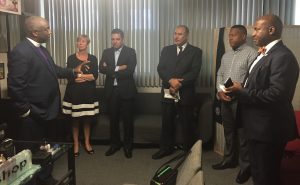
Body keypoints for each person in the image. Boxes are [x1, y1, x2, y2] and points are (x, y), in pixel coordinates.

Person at [7, 16, 82, 185]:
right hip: (32, 114)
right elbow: (15, 86)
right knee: (30, 152)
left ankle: (45, 178)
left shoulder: (42, 49)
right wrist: (25, 111)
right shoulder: (21, 51)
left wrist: (72, 72)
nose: (50, 32)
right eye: (47, 29)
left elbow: (53, 69)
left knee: (45, 149)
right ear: (35, 32)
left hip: (48, 110)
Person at [226, 14, 299, 185]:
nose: (253, 33)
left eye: (257, 29)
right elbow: (257, 85)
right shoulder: (267, 53)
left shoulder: (283, 56)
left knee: (266, 176)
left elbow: (277, 94)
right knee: (259, 173)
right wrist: (238, 88)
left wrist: (241, 91)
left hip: (269, 130)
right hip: (258, 127)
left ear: (271, 30)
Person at [212, 25, 257, 184]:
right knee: (229, 132)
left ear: (244, 36)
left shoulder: (252, 54)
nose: (230, 38)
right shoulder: (226, 55)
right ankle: (229, 159)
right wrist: (219, 91)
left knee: (243, 135)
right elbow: (220, 74)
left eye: (234, 35)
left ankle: (245, 167)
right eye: (229, 35)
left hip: (243, 101)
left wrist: (242, 90)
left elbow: (254, 81)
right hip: (225, 99)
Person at [152, 25, 202, 160]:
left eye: (180, 34)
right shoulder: (166, 50)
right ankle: (165, 149)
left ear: (187, 36)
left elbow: (194, 72)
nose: (176, 36)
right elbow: (160, 68)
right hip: (168, 90)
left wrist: (179, 83)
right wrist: (170, 80)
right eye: (175, 33)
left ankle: (188, 152)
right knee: (167, 121)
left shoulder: (196, 52)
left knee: (187, 123)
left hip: (186, 93)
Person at [99, 28, 137, 159]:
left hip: (126, 91)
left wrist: (109, 68)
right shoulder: (106, 52)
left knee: (128, 120)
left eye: (117, 39)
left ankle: (128, 146)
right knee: (113, 120)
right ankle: (114, 145)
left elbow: (129, 71)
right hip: (112, 91)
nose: (114, 42)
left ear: (122, 39)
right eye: (113, 39)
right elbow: (101, 69)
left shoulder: (130, 52)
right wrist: (119, 67)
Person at [62, 34, 99, 157]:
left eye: (83, 41)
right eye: (78, 41)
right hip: (74, 93)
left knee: (87, 120)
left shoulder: (93, 58)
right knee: (75, 120)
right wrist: (83, 77)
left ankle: (87, 143)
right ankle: (76, 144)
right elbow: (69, 75)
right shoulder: (71, 58)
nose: (80, 43)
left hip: (88, 93)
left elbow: (94, 76)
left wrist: (79, 76)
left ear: (87, 44)